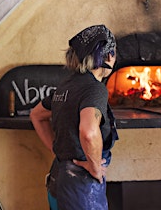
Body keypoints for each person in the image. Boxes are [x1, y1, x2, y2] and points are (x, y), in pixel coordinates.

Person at [30, 24, 119, 210]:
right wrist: (94, 167)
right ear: (109, 56)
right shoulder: (95, 89)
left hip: (58, 177)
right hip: (80, 186)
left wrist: (57, 150)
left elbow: (36, 115)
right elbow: (88, 132)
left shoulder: (65, 86)